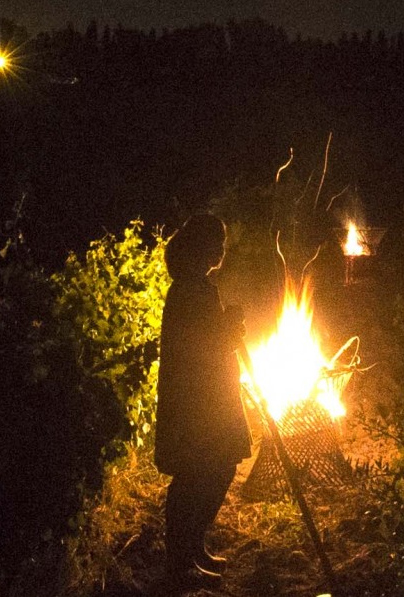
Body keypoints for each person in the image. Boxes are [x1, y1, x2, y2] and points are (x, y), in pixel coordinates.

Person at [155, 213, 253, 592]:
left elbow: (215, 340)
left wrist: (229, 326)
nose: (222, 251)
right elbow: (199, 347)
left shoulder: (200, 287)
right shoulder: (185, 292)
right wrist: (227, 327)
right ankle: (179, 561)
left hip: (211, 395)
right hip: (195, 400)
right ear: (201, 247)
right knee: (194, 475)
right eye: (218, 243)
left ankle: (194, 545)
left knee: (220, 467)